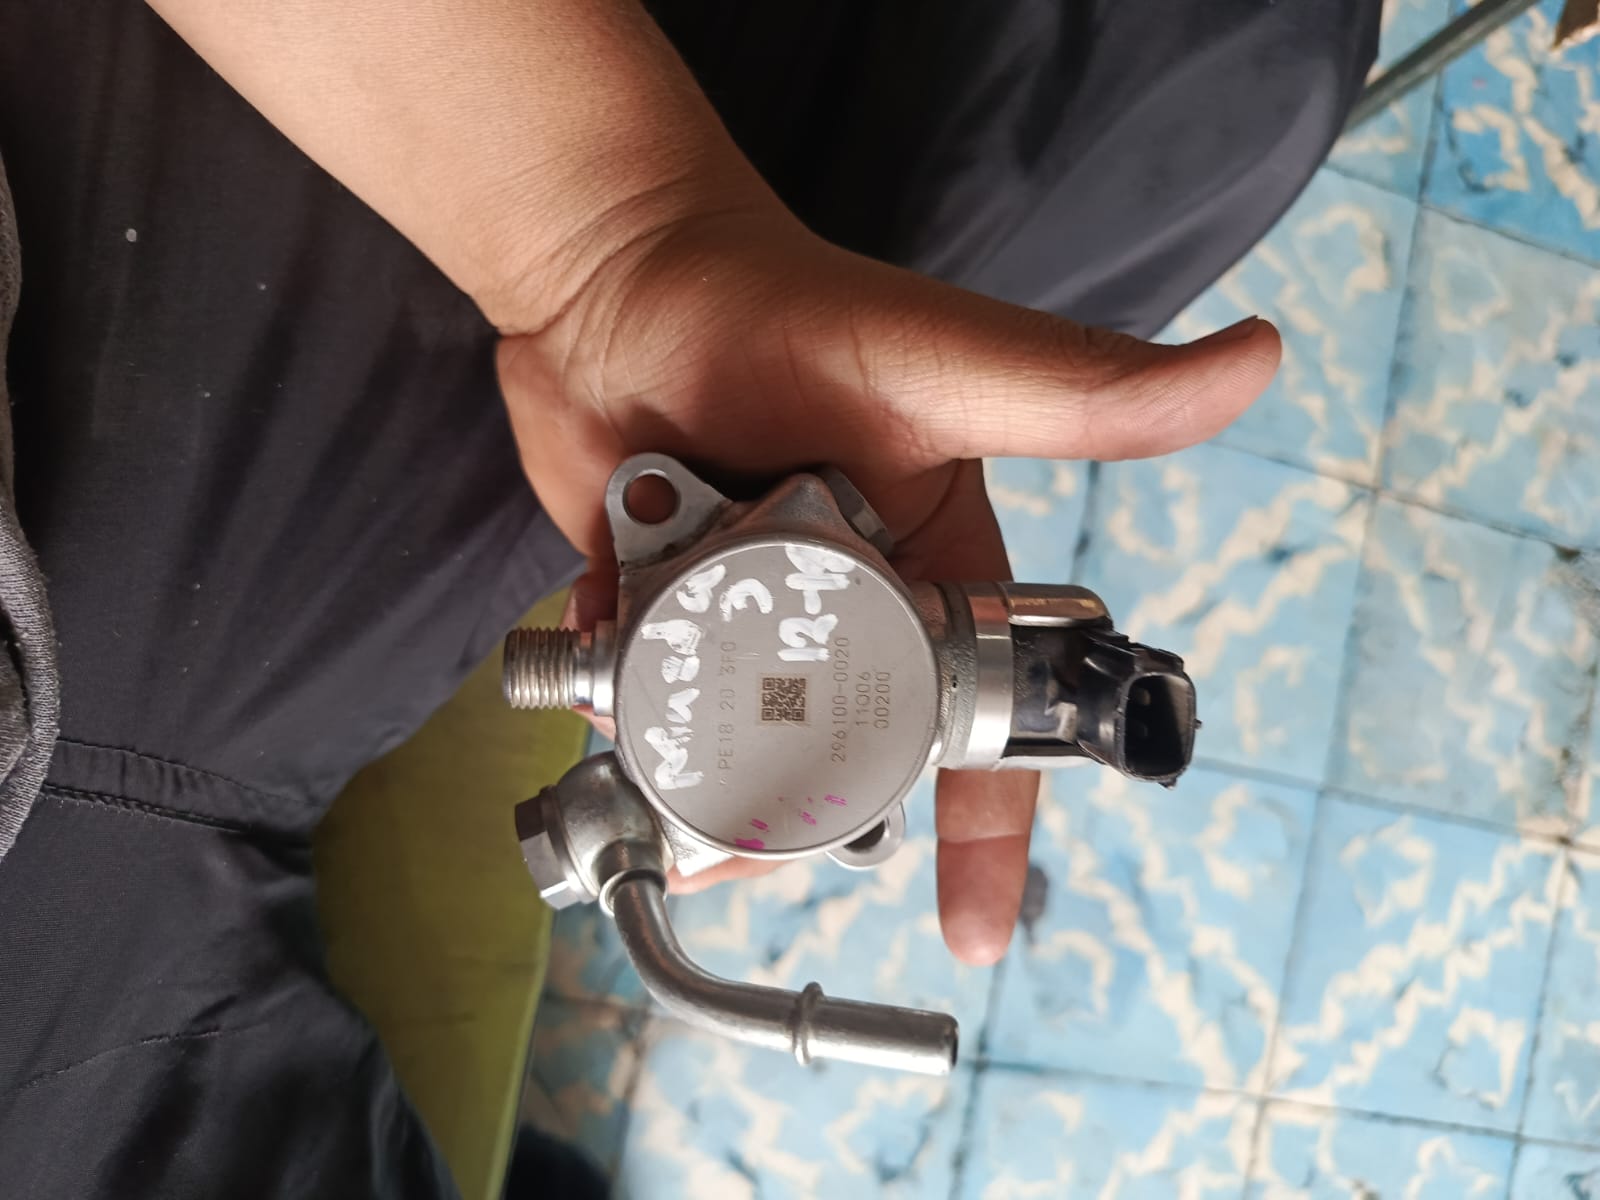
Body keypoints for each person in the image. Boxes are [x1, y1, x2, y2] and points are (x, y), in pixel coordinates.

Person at [0, 1, 1380, 1195]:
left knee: (1226, 55)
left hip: (83, 658)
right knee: (1227, 73)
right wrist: (605, 257)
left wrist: (601, 244)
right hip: (109, 837)